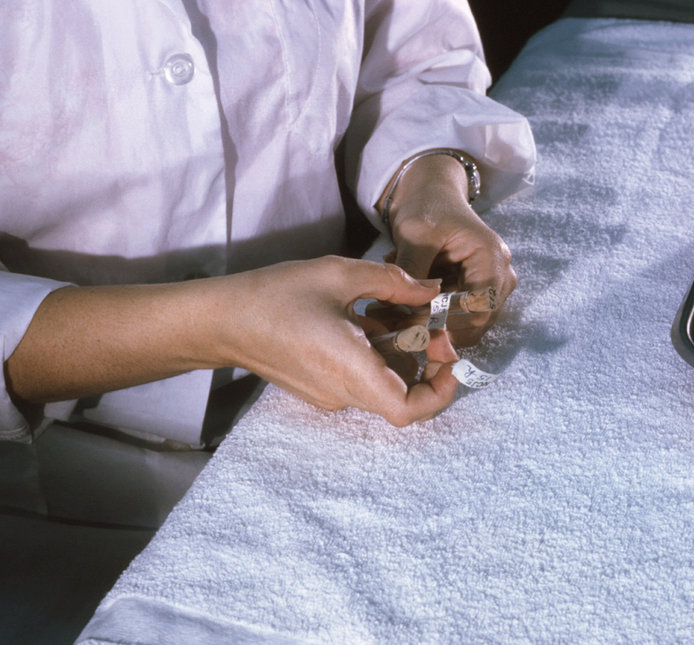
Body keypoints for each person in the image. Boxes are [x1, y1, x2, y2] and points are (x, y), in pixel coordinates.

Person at [0, 0, 536, 443]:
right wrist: (224, 326)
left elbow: (411, 55)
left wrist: (428, 183)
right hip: (45, 467)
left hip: (308, 420)